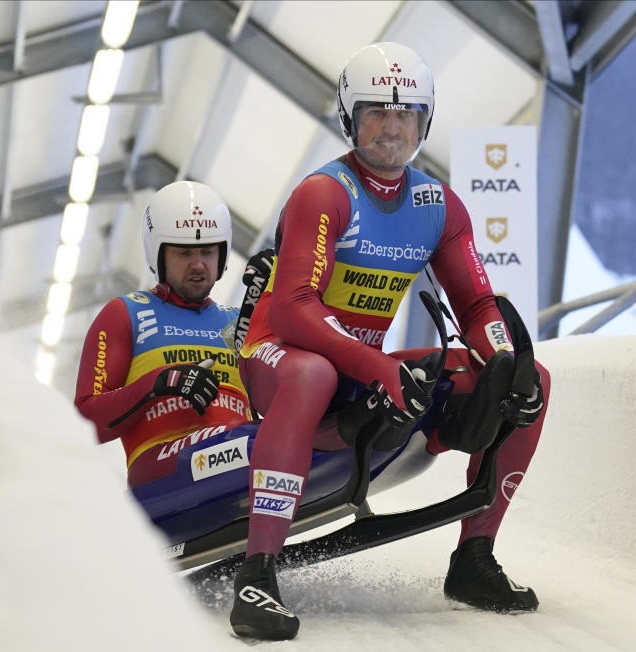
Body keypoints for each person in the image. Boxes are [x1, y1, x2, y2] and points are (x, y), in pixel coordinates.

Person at [230, 42, 551, 640]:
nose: (392, 127)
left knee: (529, 379)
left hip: (359, 361)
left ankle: (473, 560)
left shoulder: (437, 204)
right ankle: (258, 573)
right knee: (311, 372)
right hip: (279, 354)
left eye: (407, 114)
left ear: (425, 123)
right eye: (377, 111)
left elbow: (478, 305)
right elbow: (294, 308)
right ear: (351, 119)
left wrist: (505, 357)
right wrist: (376, 366)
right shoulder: (324, 193)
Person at [74, 180, 251, 489]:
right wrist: (159, 383)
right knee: (258, 442)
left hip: (244, 455)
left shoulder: (238, 320)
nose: (198, 265)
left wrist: (279, 298)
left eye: (208, 252)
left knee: (277, 437)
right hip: (161, 470)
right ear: (158, 255)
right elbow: (84, 422)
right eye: (184, 253)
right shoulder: (125, 313)